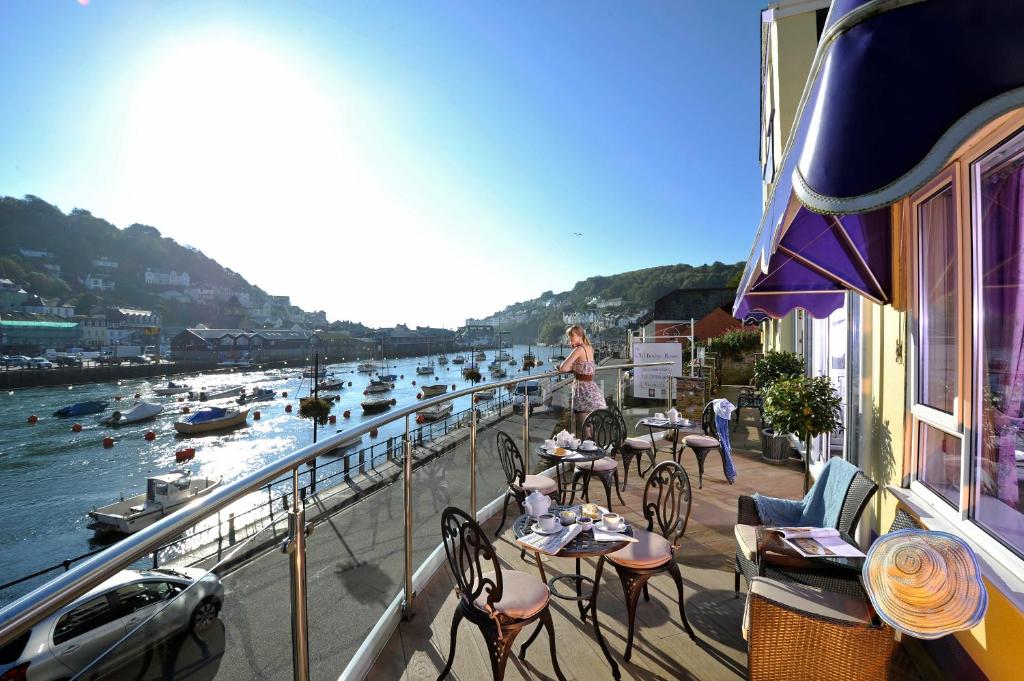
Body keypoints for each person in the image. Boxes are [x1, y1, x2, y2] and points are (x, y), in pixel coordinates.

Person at [559, 324, 606, 434]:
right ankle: (593, 447)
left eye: (572, 336)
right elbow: (584, 366)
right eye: (569, 336)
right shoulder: (589, 348)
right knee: (589, 424)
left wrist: (571, 367)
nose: (570, 338)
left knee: (584, 426)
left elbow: (563, 368)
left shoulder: (579, 349)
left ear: (580, 335)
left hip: (582, 390)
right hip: (591, 388)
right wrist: (575, 366)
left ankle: (589, 448)